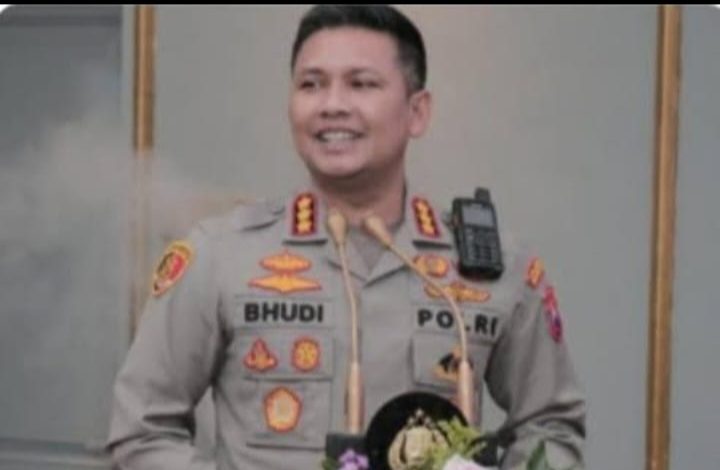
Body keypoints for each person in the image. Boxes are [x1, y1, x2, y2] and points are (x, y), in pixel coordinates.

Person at [107, 5, 585, 470]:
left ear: (417, 112)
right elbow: (143, 431)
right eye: (311, 85)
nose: (332, 105)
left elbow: (551, 426)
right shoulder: (221, 256)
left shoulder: (493, 268)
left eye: (362, 84)